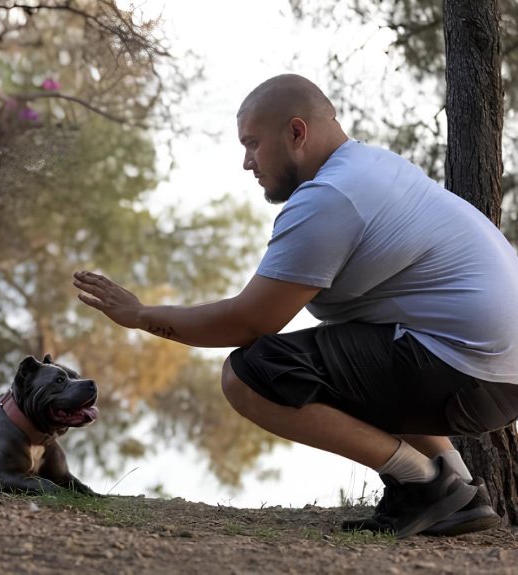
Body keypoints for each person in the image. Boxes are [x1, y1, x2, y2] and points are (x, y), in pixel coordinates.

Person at [73, 73, 518, 538]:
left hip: (466, 368)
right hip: (497, 376)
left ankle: (424, 484)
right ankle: (459, 486)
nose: (247, 162)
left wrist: (142, 316)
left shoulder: (331, 196)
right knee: (348, 357)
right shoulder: (373, 169)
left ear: (297, 133)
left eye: (252, 144)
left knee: (251, 375)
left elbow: (248, 322)